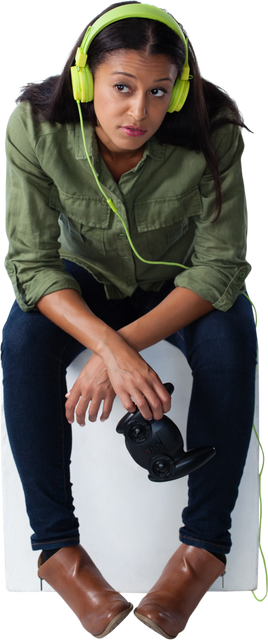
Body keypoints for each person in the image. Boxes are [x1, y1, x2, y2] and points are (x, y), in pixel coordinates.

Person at [1, 1, 258, 638]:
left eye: (157, 92)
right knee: (22, 333)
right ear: (88, 83)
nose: (138, 112)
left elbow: (222, 265)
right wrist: (105, 347)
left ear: (178, 94)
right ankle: (59, 551)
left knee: (233, 333)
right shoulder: (33, 126)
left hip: (178, 289)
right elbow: (31, 263)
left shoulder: (215, 125)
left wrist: (120, 349)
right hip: (83, 283)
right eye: (121, 88)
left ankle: (201, 551)